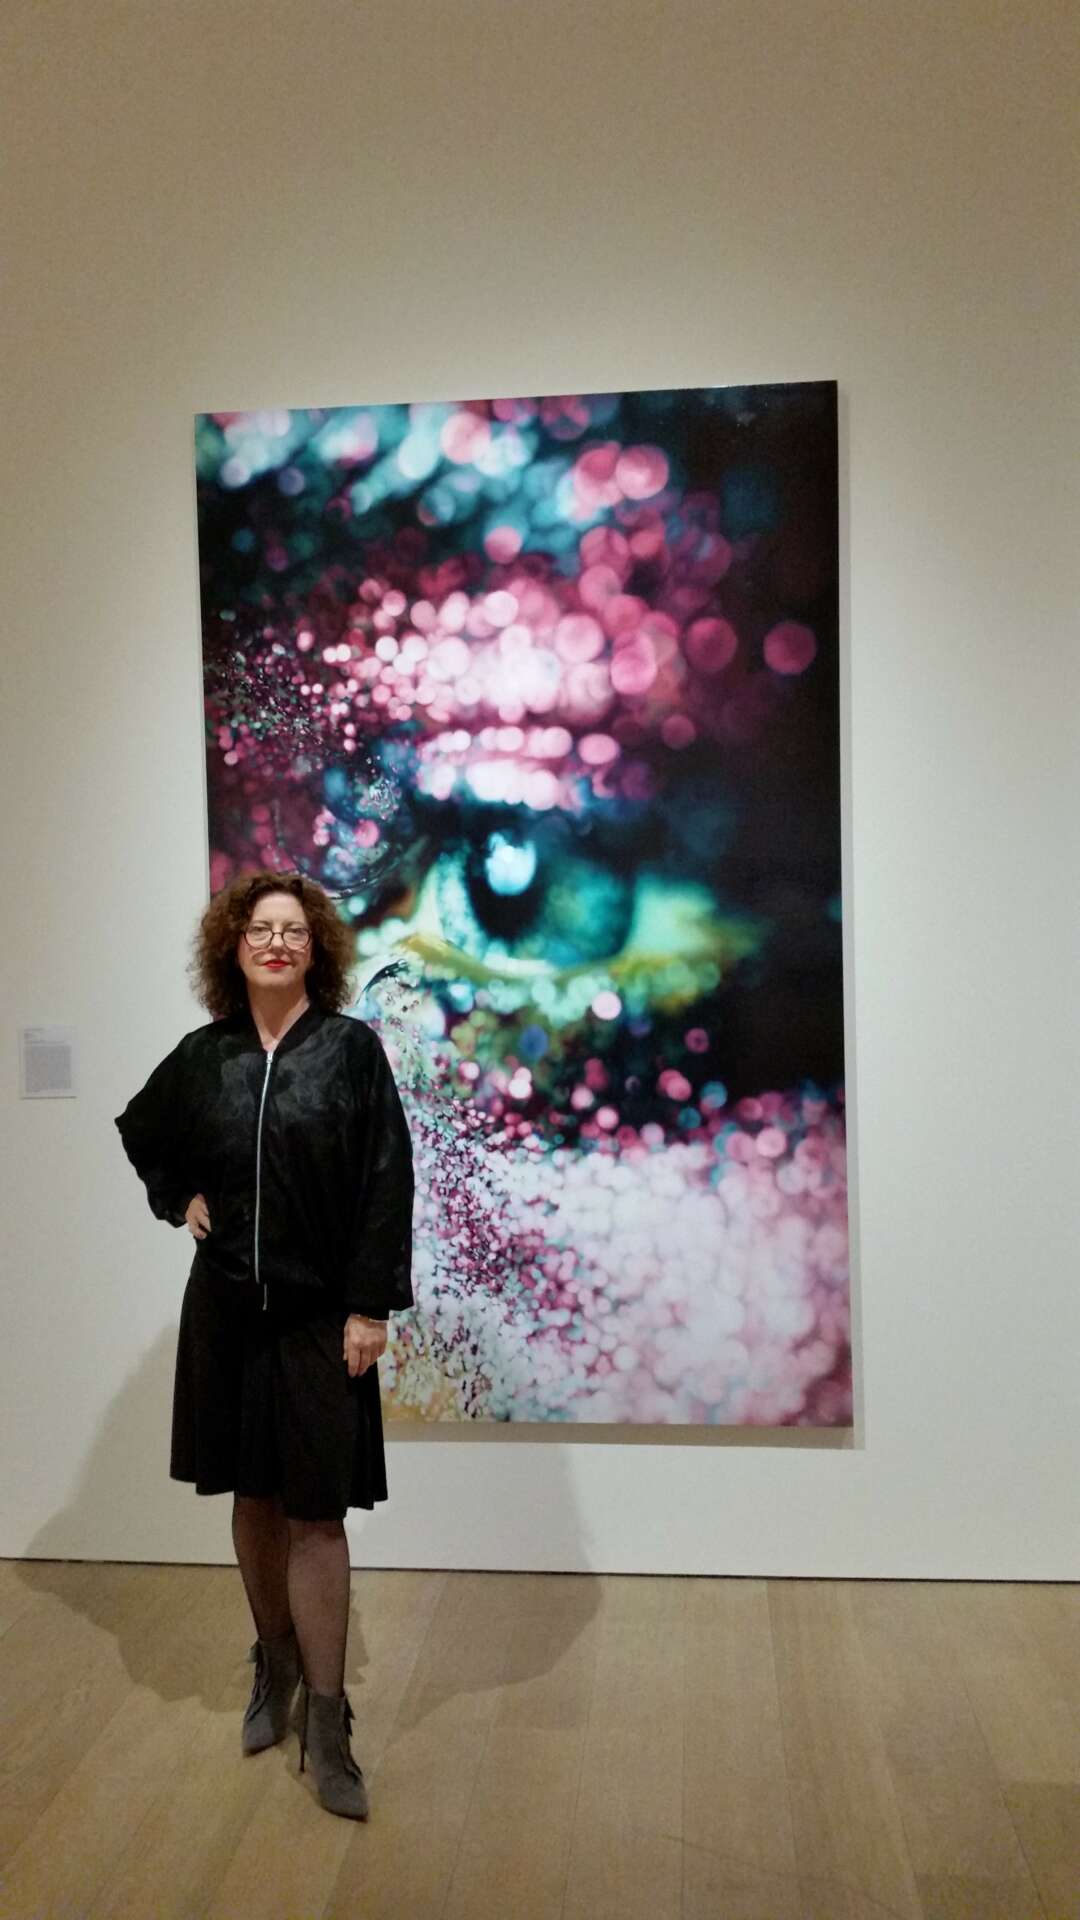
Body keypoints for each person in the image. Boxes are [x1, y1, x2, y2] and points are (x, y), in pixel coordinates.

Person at [113, 870, 415, 1821]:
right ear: (233, 946)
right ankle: (273, 1664)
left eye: (292, 931)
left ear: (315, 948)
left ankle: (328, 1719)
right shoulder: (205, 1057)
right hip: (227, 1313)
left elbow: (386, 1179)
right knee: (252, 1497)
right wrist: (178, 1198)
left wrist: (370, 1307)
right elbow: (141, 1132)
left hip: (322, 1316)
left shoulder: (350, 1051)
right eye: (260, 929)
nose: (276, 943)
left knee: (317, 1512)